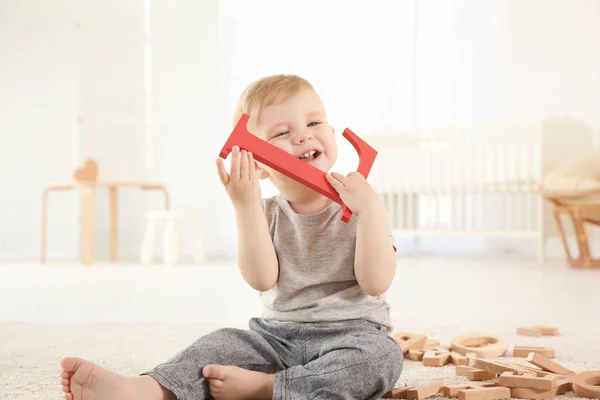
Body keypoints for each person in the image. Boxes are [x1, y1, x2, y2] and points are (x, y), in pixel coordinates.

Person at [58, 74, 403, 400]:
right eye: (282, 132)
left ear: (330, 131)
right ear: (259, 163)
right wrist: (245, 207)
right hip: (275, 337)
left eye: (313, 123)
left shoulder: (362, 205)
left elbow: (375, 283)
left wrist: (371, 212)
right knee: (219, 345)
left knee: (381, 358)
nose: (303, 136)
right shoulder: (265, 211)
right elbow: (261, 278)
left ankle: (268, 388)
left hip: (352, 335)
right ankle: (145, 389)